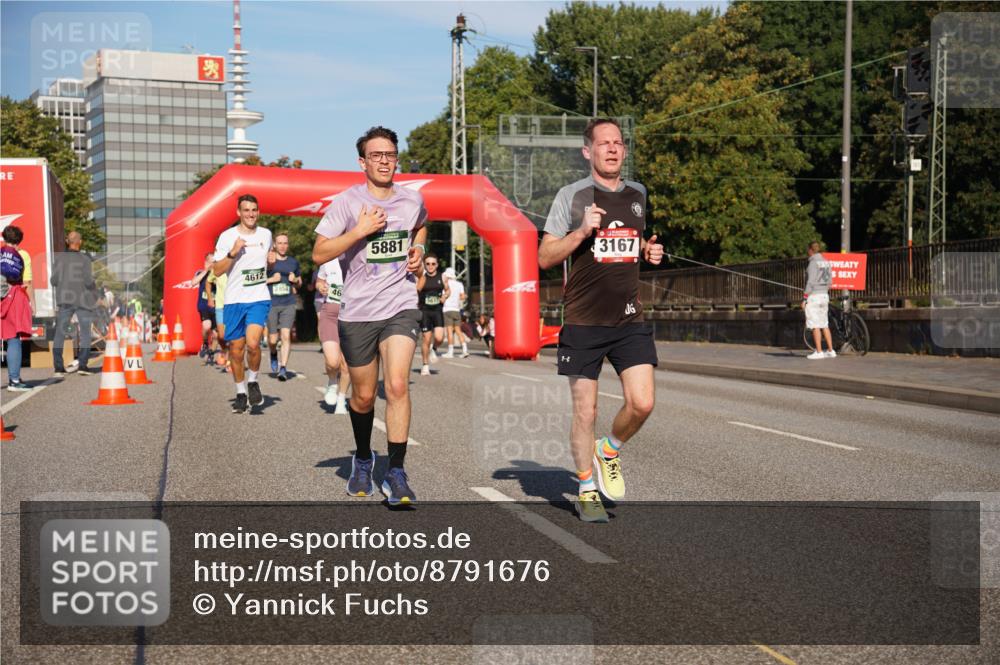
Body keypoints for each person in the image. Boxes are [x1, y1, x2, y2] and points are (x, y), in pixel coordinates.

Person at [538, 117, 664, 523]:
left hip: (629, 318)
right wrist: (579, 233)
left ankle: (608, 449)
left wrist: (648, 251)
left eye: (618, 143)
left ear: (624, 150)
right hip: (584, 321)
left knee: (642, 402)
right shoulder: (572, 196)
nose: (612, 149)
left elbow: (629, 239)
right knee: (585, 413)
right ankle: (586, 486)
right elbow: (544, 257)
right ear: (587, 152)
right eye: (603, 143)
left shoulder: (638, 194)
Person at [312, 125, 427, 504]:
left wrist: (418, 252)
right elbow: (319, 253)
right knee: (362, 398)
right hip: (358, 311)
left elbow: (422, 225)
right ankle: (364, 456)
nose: (384, 161)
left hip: (400, 304)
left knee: (395, 386)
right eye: (376, 155)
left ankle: (396, 471)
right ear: (362, 162)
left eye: (390, 154)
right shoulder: (347, 203)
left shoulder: (411, 201)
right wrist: (359, 231)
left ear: (397, 159)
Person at [212, 194, 272, 413]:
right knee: (236, 350)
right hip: (234, 300)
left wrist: (272, 262)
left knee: (253, 343)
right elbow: (217, 270)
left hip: (258, 298)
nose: (251, 214)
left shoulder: (266, 234)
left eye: (254, 210)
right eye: (246, 210)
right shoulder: (227, 236)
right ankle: (240, 391)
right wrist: (232, 253)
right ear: (238, 213)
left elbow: (267, 261)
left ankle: (253, 380)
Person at [51, 231, 100, 376]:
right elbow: (88, 281)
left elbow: (53, 281)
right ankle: (83, 366)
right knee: (85, 333)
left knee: (60, 332)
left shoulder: (59, 259)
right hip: (83, 300)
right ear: (80, 242)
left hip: (65, 299)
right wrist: (94, 288)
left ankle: (58, 368)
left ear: (68, 241)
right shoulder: (85, 259)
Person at [315, 257, 350, 414]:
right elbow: (319, 280)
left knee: (347, 363)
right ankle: (332, 381)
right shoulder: (328, 259)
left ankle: (341, 400)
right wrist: (320, 286)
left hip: (353, 315)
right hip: (330, 313)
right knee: (332, 362)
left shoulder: (360, 256)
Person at [1, 226, 34, 391]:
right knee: (13, 339)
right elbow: (27, 283)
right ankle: (14, 380)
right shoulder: (23, 255)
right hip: (13, 297)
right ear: (19, 240)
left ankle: (14, 378)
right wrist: (32, 304)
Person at [266, 232, 302, 381]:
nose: (282, 246)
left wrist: (296, 280)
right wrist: (271, 279)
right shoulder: (269, 262)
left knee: (286, 335)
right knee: (273, 340)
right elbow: (258, 281)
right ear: (275, 244)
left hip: (288, 303)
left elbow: (299, 283)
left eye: (285, 243)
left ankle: (283, 368)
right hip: (272, 303)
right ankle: (273, 353)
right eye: (279, 243)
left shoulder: (293, 262)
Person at [416, 253, 449, 376]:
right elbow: (416, 292)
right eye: (428, 264)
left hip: (437, 310)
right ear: (424, 265)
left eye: (433, 264)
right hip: (425, 311)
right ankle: (425, 365)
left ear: (437, 265)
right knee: (426, 338)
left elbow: (448, 290)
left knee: (440, 337)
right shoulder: (422, 278)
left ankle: (434, 349)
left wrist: (445, 296)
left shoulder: (442, 277)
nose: (430, 266)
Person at [804, 241, 836, 360]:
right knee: (824, 324)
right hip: (824, 295)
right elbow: (830, 282)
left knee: (815, 325)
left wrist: (805, 298)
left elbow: (810, 281)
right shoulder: (826, 262)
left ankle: (819, 351)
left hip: (815, 296)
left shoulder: (813, 262)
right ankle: (830, 350)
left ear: (810, 250)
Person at [189, 253, 217, 360]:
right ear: (206, 262)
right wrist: (206, 271)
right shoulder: (200, 272)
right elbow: (193, 282)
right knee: (206, 326)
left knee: (216, 334)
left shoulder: (218, 274)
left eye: (214, 262)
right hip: (204, 306)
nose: (212, 264)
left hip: (216, 306)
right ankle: (205, 342)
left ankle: (211, 351)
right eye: (210, 262)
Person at [441, 267, 469, 359]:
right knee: (458, 330)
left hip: (447, 309)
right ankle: (465, 350)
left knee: (449, 331)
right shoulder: (459, 284)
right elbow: (462, 297)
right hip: (456, 310)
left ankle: (450, 351)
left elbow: (443, 297)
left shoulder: (445, 284)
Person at [209, 270, 229, 369]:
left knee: (234, 336)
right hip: (220, 306)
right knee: (221, 336)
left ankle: (230, 361)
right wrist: (209, 297)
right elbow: (208, 281)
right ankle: (226, 350)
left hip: (234, 305)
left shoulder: (236, 264)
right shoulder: (218, 267)